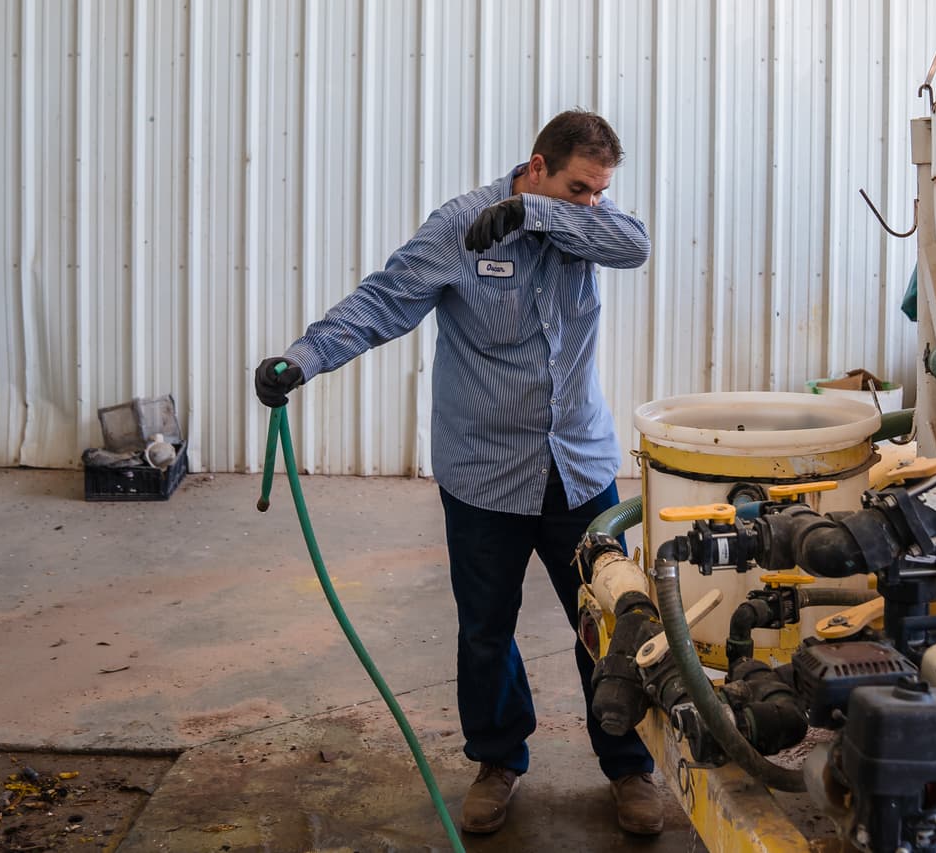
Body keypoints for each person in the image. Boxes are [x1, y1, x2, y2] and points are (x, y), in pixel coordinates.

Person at [255, 110, 663, 836]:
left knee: (610, 622)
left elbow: (633, 246)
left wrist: (540, 213)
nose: (590, 204)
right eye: (577, 188)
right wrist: (303, 358)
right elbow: (383, 301)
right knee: (485, 630)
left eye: (599, 192)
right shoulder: (461, 227)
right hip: (485, 475)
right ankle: (499, 759)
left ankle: (629, 765)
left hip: (579, 468)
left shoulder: (585, 222)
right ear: (537, 163)